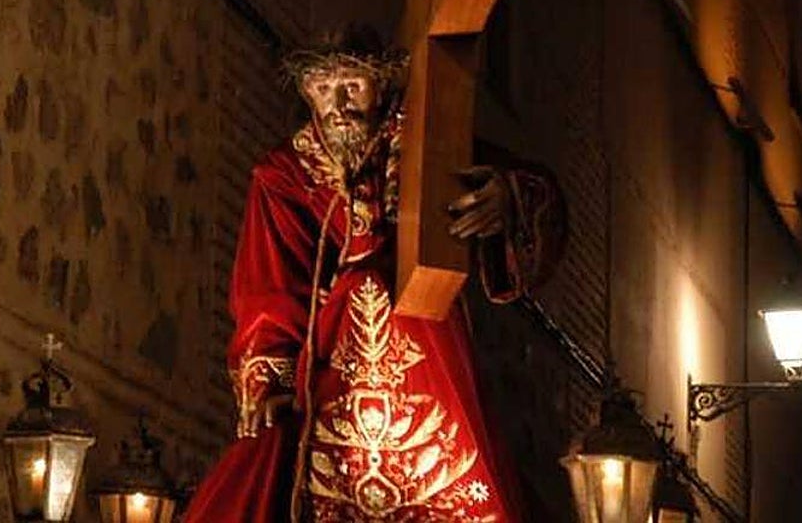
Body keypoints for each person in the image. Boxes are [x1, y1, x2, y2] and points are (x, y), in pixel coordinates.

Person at [184, 26, 565, 522]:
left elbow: (533, 192)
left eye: (352, 87)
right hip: (329, 362)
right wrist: (269, 382)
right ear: (306, 93)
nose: (338, 105)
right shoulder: (286, 177)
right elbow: (269, 287)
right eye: (323, 89)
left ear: (381, 86)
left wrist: (506, 197)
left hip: (425, 336)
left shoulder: (431, 149)